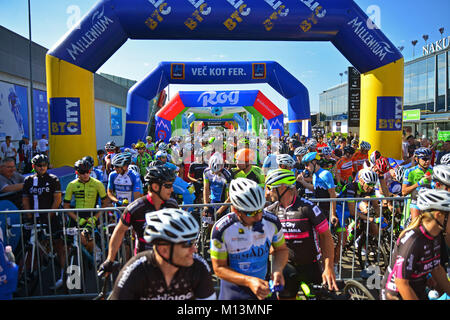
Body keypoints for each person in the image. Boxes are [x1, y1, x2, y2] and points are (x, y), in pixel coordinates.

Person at [109, 208, 216, 300]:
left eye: (192, 242)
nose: (194, 250)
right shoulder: (136, 270)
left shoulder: (198, 267)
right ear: (164, 249)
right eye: (187, 244)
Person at [210, 178, 289, 300]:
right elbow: (219, 268)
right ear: (236, 210)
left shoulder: (272, 222)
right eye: (251, 213)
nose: (258, 217)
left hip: (263, 286)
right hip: (234, 291)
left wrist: (277, 270)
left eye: (260, 210)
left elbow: (281, 250)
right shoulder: (222, 229)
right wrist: (249, 281)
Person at [264, 169, 338, 297]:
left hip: (311, 265)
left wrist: (329, 267)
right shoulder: (270, 211)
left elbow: (326, 236)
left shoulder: (308, 208)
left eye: (271, 188)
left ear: (282, 188)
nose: (268, 192)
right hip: (286, 266)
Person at [98, 164, 179, 277]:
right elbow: (119, 232)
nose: (172, 189)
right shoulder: (135, 208)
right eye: (168, 186)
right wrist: (109, 260)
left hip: (168, 263)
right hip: (144, 264)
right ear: (155, 187)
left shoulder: (172, 205)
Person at [380, 189, 450, 300]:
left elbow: (437, 269)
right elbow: (401, 282)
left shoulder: (435, 236)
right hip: (397, 293)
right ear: (439, 215)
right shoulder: (413, 240)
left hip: (417, 288)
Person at [22, 154, 65, 288]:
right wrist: (29, 216)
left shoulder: (53, 179)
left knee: (59, 245)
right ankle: (31, 271)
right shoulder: (28, 180)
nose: (42, 168)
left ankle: (65, 274)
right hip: (35, 217)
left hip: (51, 218)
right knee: (33, 244)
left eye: (44, 165)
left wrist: (49, 216)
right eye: (39, 166)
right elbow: (25, 200)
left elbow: (57, 199)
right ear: (34, 166)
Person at [63, 158, 109, 253]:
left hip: (91, 215)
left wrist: (95, 218)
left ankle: (94, 260)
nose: (85, 175)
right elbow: (66, 206)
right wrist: (77, 219)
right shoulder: (71, 185)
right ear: (77, 172)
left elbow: (105, 203)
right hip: (76, 215)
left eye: (87, 172)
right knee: (66, 244)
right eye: (82, 172)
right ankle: (67, 266)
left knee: (86, 240)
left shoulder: (97, 184)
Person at [402, 147, 433, 224]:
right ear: (416, 159)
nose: (428, 161)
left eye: (429, 158)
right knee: (415, 227)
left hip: (429, 205)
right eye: (425, 159)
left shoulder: (433, 171)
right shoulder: (410, 172)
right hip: (414, 203)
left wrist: (432, 183)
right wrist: (418, 184)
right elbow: (404, 192)